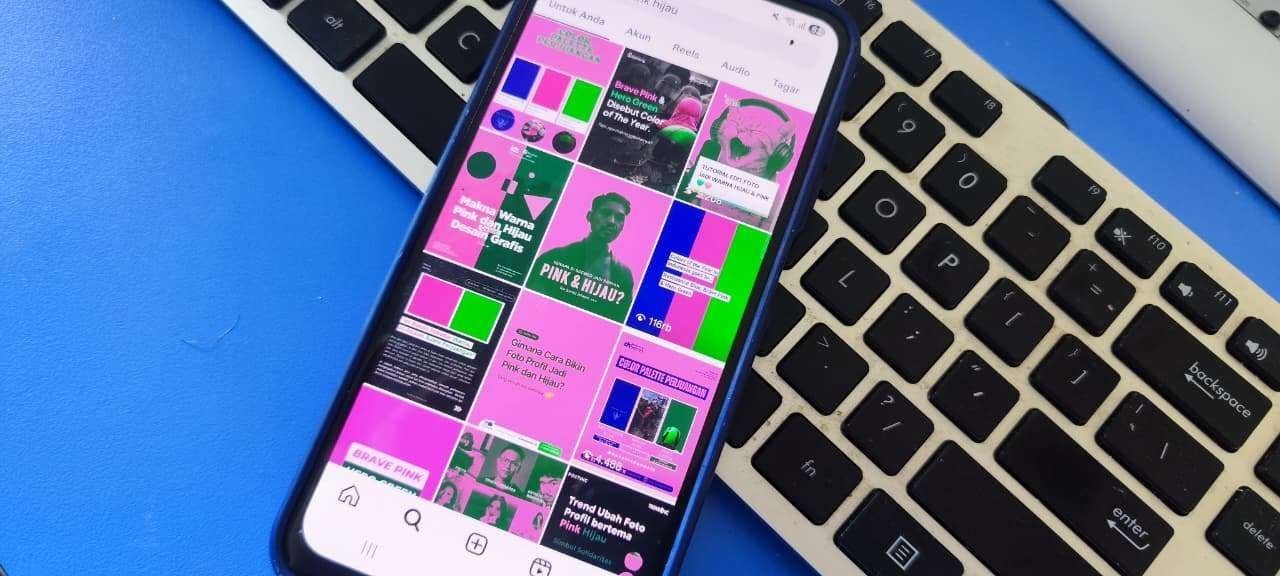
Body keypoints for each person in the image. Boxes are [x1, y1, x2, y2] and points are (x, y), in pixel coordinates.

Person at [527, 192, 636, 314]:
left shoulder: (624, 276)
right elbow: (531, 304)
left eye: (619, 218)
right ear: (590, 216)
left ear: (623, 226)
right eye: (606, 213)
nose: (612, 221)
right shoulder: (553, 258)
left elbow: (619, 318)